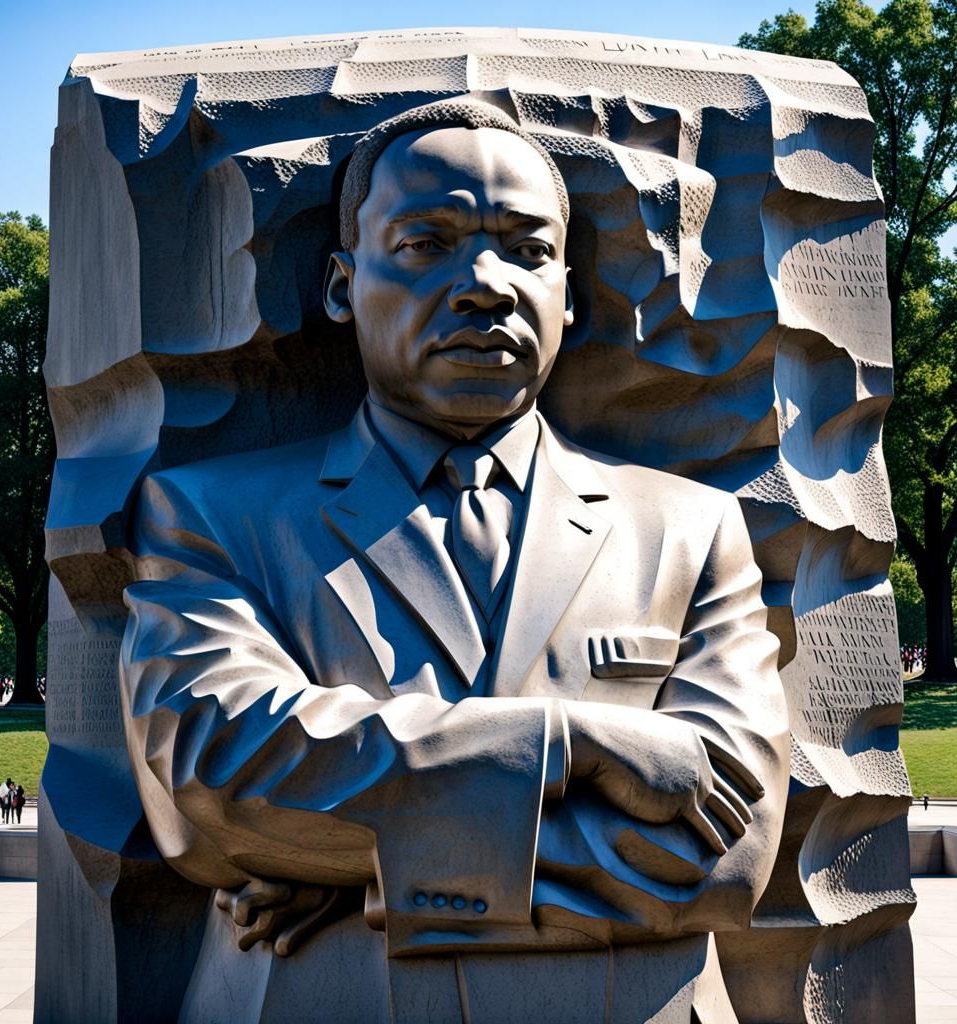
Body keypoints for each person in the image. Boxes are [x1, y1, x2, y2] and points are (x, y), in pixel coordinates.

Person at [119, 100, 789, 1022]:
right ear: (342, 285)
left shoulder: (690, 530)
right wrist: (571, 743)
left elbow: (730, 858)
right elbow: (214, 775)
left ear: (569, 294)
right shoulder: (208, 517)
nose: (485, 285)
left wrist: (359, 873)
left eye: (527, 250)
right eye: (425, 243)